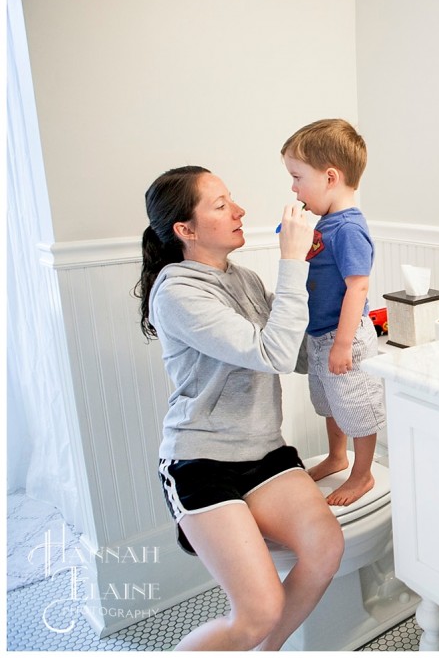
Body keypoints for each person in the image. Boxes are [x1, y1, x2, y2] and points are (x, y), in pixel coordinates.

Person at [135, 165, 344, 651]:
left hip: (262, 452)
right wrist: (291, 262)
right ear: (185, 230)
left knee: (325, 548)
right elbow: (268, 352)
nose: (240, 210)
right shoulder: (178, 291)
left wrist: (339, 301)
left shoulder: (244, 279)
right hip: (201, 460)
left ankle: (265, 652)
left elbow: (290, 354)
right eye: (221, 204)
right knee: (257, 613)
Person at [280, 119, 386, 507]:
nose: (293, 188)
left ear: (329, 177)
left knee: (356, 405)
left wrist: (343, 345)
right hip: (320, 334)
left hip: (345, 338)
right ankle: (337, 456)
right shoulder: (327, 223)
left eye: (297, 177)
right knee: (329, 401)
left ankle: (363, 474)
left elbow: (358, 287)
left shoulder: (349, 228)